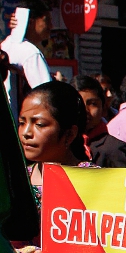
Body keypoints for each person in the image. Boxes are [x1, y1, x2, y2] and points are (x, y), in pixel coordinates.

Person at [18, 81, 96, 215]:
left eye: (40, 124)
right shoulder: (17, 180)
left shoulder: (96, 181)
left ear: (69, 134)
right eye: (22, 123)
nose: (26, 132)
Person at [2, 0, 52, 116]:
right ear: (31, 21)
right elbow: (46, 95)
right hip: (18, 126)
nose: (51, 26)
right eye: (47, 20)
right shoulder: (30, 53)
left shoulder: (4, 45)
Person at [73, 77, 126, 169]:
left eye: (93, 104)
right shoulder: (64, 145)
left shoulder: (113, 148)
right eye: (78, 104)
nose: (85, 110)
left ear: (103, 108)